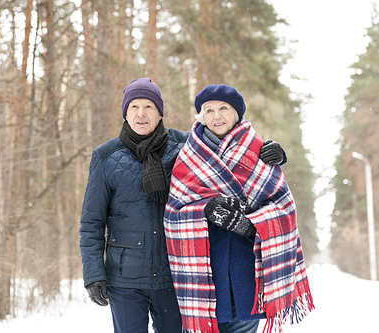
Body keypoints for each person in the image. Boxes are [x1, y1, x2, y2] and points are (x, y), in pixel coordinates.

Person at [79, 79, 287, 333]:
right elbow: (91, 222)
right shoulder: (106, 156)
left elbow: (225, 145)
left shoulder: (186, 147)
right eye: (134, 107)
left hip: (175, 275)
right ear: (125, 112)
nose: (141, 114)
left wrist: (265, 150)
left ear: (160, 112)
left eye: (148, 106)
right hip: (124, 278)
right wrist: (93, 274)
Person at [164, 84, 314, 333]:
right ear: (201, 116)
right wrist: (205, 209)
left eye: (224, 108)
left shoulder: (259, 152)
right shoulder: (187, 155)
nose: (217, 116)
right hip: (204, 279)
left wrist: (251, 225)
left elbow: (283, 207)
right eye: (209, 110)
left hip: (246, 276)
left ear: (238, 113)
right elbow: (173, 214)